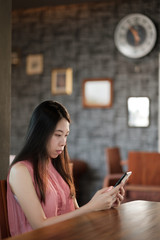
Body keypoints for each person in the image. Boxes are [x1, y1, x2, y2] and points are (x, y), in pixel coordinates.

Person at [7, 100, 125, 236]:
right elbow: (40, 226)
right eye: (58, 135)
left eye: (66, 135)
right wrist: (91, 206)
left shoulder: (59, 167)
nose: (63, 142)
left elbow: (75, 214)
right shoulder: (20, 171)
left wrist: (102, 204)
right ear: (40, 133)